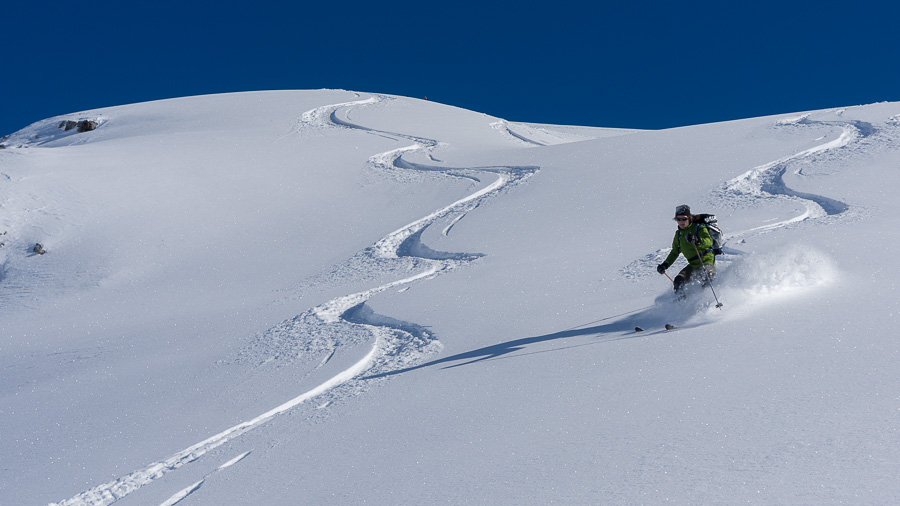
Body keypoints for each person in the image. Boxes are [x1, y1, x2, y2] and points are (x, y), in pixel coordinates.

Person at [656, 204, 716, 296]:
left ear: (689, 218)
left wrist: (697, 240)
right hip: (693, 265)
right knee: (678, 281)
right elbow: (675, 252)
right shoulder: (679, 234)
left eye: (684, 219)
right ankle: (681, 305)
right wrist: (665, 265)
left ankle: (708, 303)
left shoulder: (698, 228)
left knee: (706, 279)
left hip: (706, 261)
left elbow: (709, 241)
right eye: (678, 219)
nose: (681, 221)